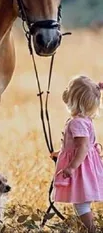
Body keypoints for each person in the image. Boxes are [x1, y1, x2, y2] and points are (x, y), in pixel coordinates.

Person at [51, 76, 103, 233]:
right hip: (86, 166)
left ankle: (91, 229)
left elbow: (82, 148)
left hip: (81, 169)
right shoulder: (84, 120)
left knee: (81, 202)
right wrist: (59, 153)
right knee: (81, 201)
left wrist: (71, 167)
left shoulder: (76, 122)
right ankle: (85, 227)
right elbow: (76, 146)